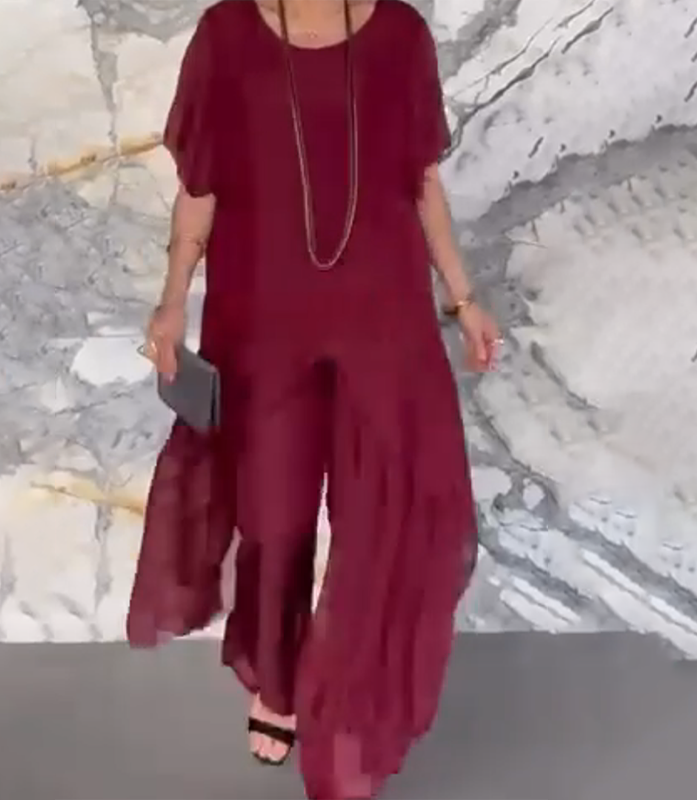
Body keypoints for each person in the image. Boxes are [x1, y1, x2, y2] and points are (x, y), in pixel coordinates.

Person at [127, 0, 500, 797]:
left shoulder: (401, 34)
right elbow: (200, 186)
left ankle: (351, 710)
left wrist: (463, 298)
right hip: (260, 320)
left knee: (381, 520)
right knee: (272, 518)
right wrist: (172, 299)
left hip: (385, 319)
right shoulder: (227, 34)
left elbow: (421, 181)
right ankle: (276, 673)